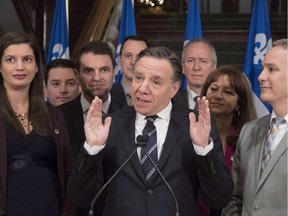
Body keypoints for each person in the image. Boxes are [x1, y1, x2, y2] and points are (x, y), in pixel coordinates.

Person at [67, 47, 233, 216]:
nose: (143, 88)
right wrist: (92, 149)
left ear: (174, 89)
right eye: (138, 78)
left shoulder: (195, 125)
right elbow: (79, 198)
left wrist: (203, 150)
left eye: (156, 82)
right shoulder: (110, 125)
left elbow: (218, 199)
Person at [0, 31, 75, 215]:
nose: (20, 67)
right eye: (10, 60)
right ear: (0, 67)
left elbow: (68, 172)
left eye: (27, 59)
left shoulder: (54, 116)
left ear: (36, 68)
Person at [222, 39, 288, 216]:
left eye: (271, 69)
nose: (260, 76)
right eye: (263, 68)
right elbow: (234, 198)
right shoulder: (249, 130)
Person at [200, 65, 257, 216]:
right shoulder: (186, 131)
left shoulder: (250, 140)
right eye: (213, 88)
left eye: (227, 92)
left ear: (239, 103)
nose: (218, 96)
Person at [174, 38, 217, 109]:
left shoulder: (221, 103)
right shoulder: (170, 101)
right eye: (190, 60)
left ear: (213, 68)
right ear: (183, 67)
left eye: (203, 61)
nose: (196, 67)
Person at [111, 35, 150, 106]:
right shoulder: (107, 97)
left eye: (139, 56)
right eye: (128, 55)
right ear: (119, 60)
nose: (133, 62)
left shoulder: (158, 97)